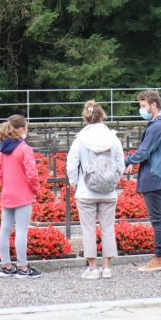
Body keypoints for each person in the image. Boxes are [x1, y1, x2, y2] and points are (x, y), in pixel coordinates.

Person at [124, 90, 161, 272]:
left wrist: (126, 161)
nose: (141, 109)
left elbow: (144, 151)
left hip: (154, 176)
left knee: (158, 220)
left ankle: (159, 258)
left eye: (143, 106)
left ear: (153, 105)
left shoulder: (157, 125)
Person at [66, 100, 125, 279]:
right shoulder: (112, 138)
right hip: (108, 192)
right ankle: (106, 268)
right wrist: (113, 181)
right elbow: (120, 164)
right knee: (108, 228)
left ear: (86, 118)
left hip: (86, 191)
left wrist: (75, 183)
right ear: (102, 116)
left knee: (88, 230)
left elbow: (71, 164)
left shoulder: (80, 140)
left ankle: (92, 268)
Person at [0, 115, 42, 278]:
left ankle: (6, 265)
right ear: (22, 129)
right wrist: (35, 189)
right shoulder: (24, 148)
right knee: (21, 230)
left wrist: (6, 185)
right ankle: (22, 267)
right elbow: (32, 174)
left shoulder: (2, 148)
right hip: (23, 195)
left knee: (5, 230)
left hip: (7, 193)